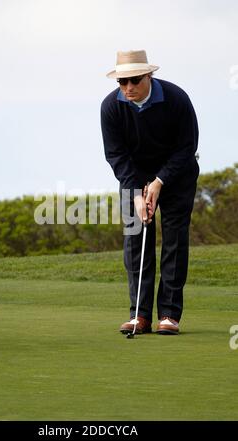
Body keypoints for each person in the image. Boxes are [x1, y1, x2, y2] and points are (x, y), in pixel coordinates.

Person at [100, 50, 199, 335]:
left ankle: (168, 314)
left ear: (149, 76)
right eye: (122, 82)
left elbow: (186, 147)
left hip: (177, 177)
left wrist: (159, 182)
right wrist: (135, 193)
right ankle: (139, 316)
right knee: (135, 241)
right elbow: (116, 155)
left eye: (134, 80)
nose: (128, 88)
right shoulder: (110, 107)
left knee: (174, 241)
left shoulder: (176, 98)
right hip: (134, 179)